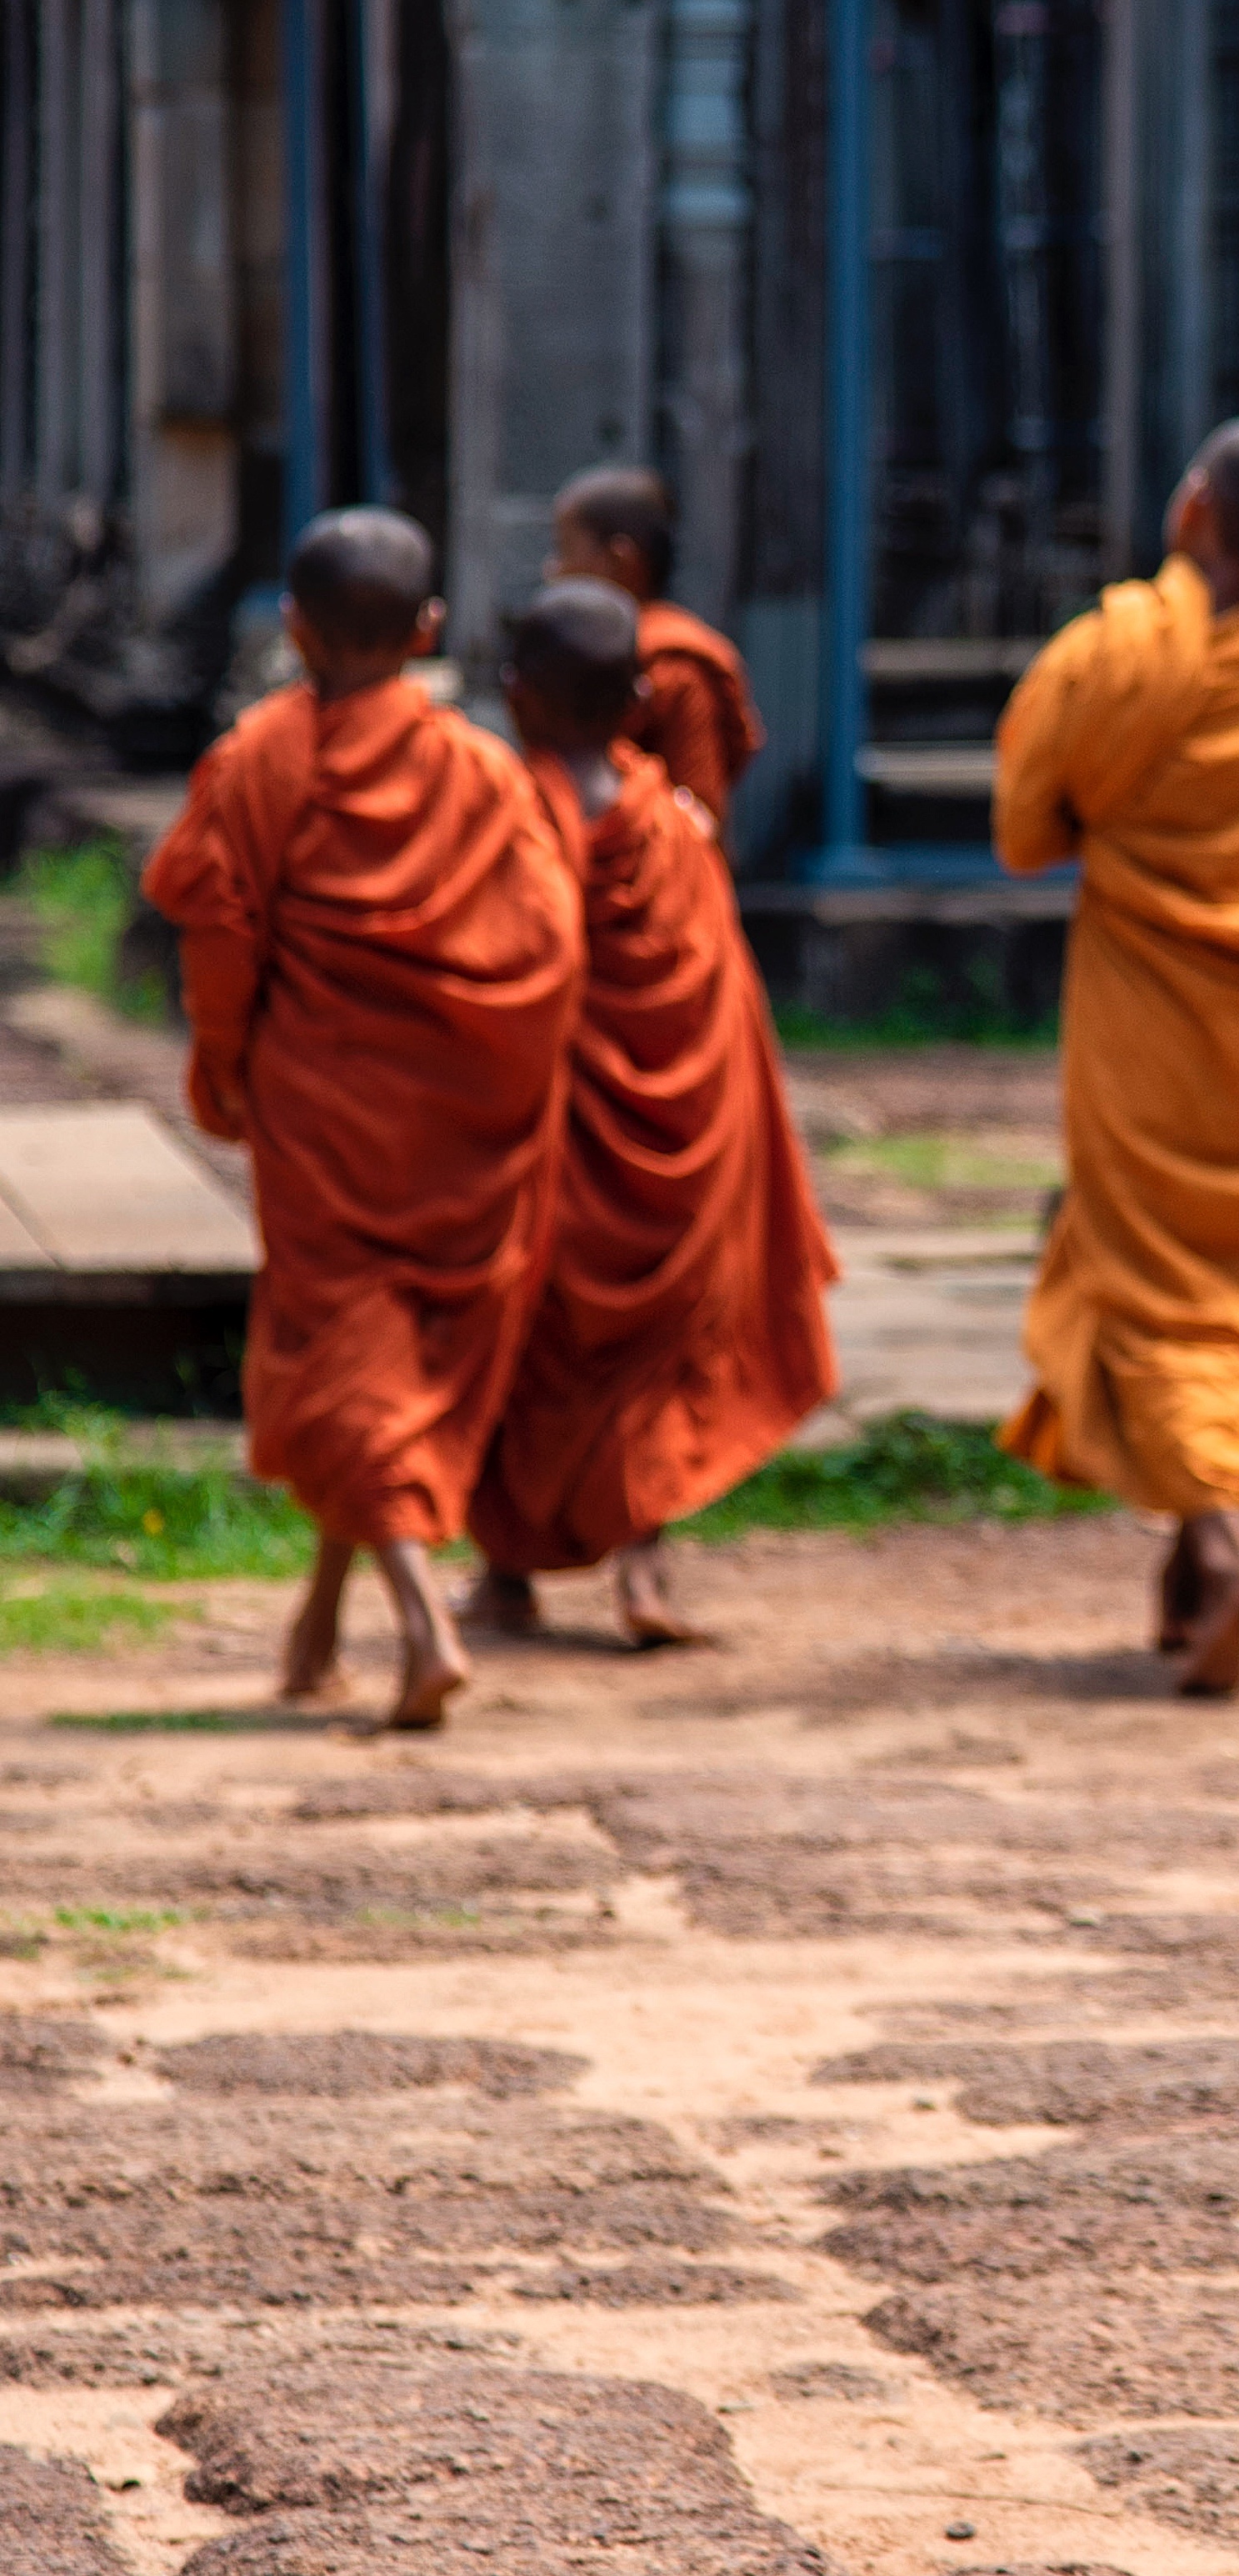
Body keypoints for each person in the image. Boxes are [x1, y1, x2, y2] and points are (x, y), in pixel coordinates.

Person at [140, 508, 585, 1731]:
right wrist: (498, 1077)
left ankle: (421, 1620)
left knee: (343, 1352)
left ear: (292, 630)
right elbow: (550, 946)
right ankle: (319, 1624)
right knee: (372, 1363)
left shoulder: (257, 760)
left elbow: (218, 935)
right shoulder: (484, 771)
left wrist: (226, 1068)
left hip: (324, 1107)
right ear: (429, 631)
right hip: (455, 1117)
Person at [997, 418, 1239, 1699]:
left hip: (1150, 1031)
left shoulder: (1114, 653)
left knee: (1156, 1285)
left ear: (1193, 511)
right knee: (1224, 1292)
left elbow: (1022, 830)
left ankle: (1219, 1543)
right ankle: (1184, 1566)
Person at [464, 581, 839, 1648]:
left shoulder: (502, 817)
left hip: (544, 1148)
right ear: (636, 695)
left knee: (529, 1337)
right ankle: (642, 1572)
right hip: (673, 1153)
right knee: (653, 1358)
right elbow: (726, 1011)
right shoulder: (673, 830)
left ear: (514, 694)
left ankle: (504, 1574)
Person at [550, 465, 763, 852]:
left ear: (620, 560)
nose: (554, 570)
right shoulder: (578, 652)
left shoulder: (676, 667)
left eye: (566, 550)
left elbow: (700, 818)